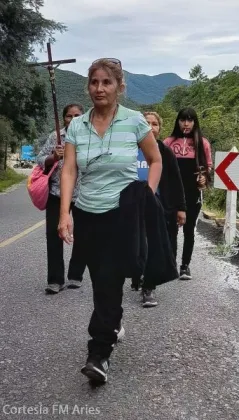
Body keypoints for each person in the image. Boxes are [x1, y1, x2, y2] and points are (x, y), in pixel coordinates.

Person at [58, 58, 163, 383]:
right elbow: (70, 169)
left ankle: (98, 355)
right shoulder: (78, 125)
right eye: (94, 82)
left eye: (106, 82)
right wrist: (64, 213)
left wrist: (146, 194)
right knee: (101, 283)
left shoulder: (134, 122)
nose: (99, 88)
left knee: (109, 282)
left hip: (122, 216)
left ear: (119, 86)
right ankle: (112, 323)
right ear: (88, 86)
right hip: (87, 214)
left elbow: (155, 159)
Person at [130, 111, 187, 307]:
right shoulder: (128, 149)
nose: (151, 127)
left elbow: (176, 181)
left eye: (155, 124)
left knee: (153, 246)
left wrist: (181, 208)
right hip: (130, 206)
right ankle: (137, 275)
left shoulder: (165, 152)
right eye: (146, 123)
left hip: (157, 207)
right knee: (134, 246)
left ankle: (149, 287)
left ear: (159, 129)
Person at [36, 103, 87, 294]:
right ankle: (55, 280)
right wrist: (53, 157)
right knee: (53, 235)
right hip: (57, 192)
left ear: (83, 117)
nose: (73, 119)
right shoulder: (55, 137)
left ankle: (75, 275)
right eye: (69, 116)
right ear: (63, 119)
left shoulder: (89, 136)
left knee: (83, 235)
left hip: (83, 193)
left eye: (77, 116)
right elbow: (40, 159)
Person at [163, 107, 213, 281]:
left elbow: (208, 167)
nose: (186, 123)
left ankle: (185, 266)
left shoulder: (203, 143)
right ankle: (171, 265)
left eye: (190, 120)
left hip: (192, 193)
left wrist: (204, 179)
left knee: (189, 230)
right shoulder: (168, 142)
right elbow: (160, 167)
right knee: (171, 230)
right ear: (178, 121)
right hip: (171, 194)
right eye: (183, 119)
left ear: (195, 122)